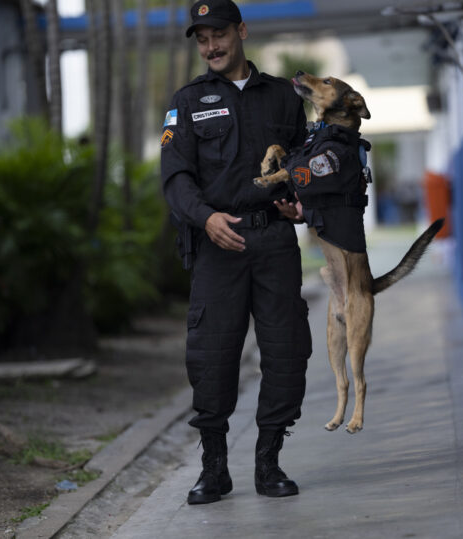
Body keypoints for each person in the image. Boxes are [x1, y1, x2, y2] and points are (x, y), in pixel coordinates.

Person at [160, 0, 312, 504]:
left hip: (273, 241)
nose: (211, 47)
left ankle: (269, 463)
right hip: (216, 244)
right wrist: (203, 217)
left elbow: (302, 164)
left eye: (219, 34)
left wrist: (300, 202)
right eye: (201, 40)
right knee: (211, 357)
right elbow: (175, 176)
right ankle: (214, 469)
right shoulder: (187, 102)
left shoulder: (283, 98)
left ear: (241, 31)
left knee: (287, 352)